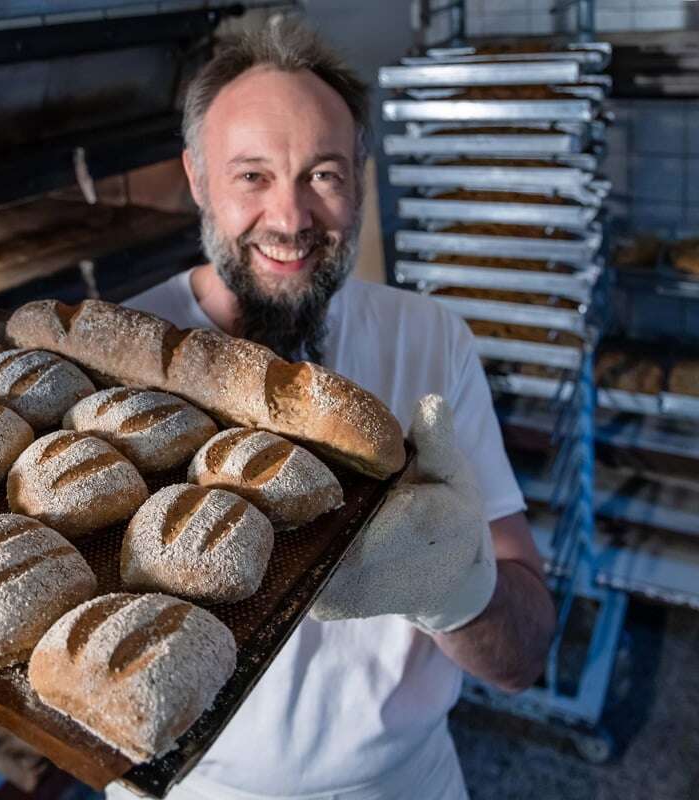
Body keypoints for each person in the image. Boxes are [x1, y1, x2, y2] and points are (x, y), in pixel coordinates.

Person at [107, 21, 556, 800]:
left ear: (360, 178)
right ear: (197, 177)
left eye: (323, 174)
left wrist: (457, 587)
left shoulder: (430, 343)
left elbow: (524, 658)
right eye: (252, 176)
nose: (289, 219)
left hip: (403, 783)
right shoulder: (116, 358)